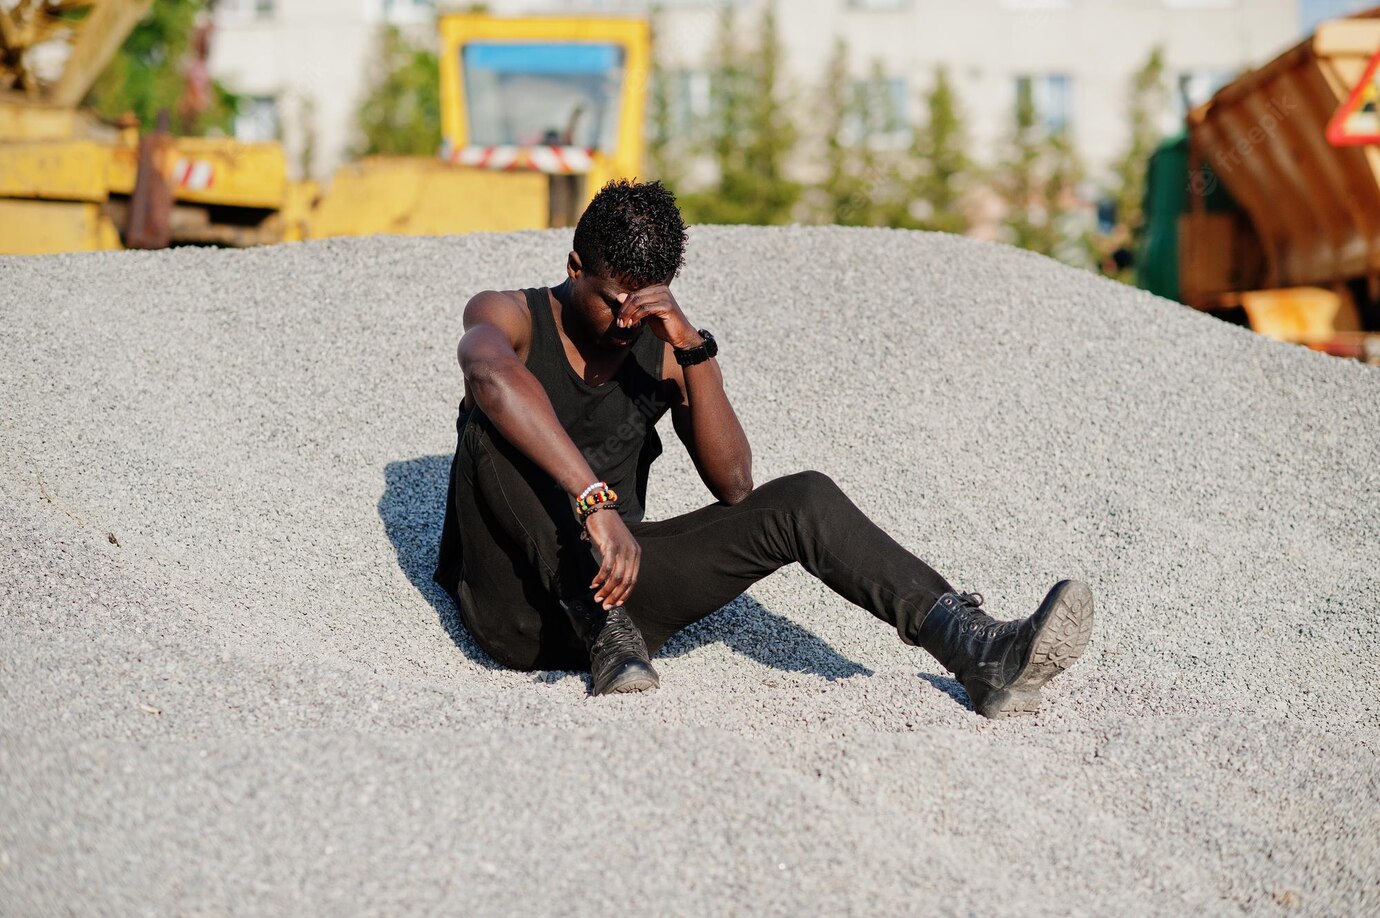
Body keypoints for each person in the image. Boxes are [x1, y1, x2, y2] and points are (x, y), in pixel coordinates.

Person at [433, 179, 1094, 717]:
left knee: (801, 496)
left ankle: (977, 649)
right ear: (575, 268)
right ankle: (598, 622)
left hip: (623, 605)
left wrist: (691, 349)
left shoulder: (662, 347)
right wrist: (595, 503)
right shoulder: (511, 316)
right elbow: (488, 371)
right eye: (612, 303)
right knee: (490, 417)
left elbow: (736, 485)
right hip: (516, 609)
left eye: (643, 305)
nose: (624, 324)